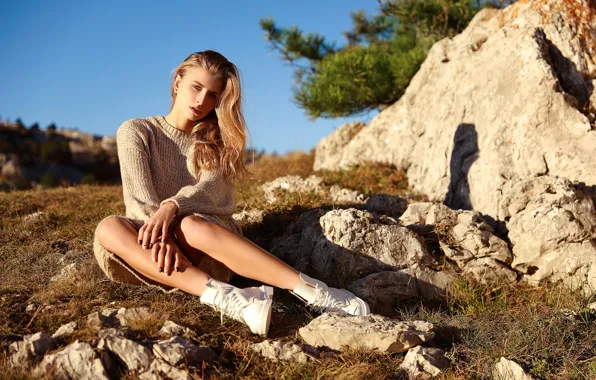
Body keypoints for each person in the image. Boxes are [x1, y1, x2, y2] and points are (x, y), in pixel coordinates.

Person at [93, 50, 370, 336]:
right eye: (196, 87)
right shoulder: (136, 130)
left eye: (213, 95)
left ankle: (313, 291)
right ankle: (231, 298)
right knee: (108, 228)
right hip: (148, 248)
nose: (202, 101)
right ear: (178, 82)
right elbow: (138, 199)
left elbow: (211, 190)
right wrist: (158, 234)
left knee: (191, 225)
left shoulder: (215, 140)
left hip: (203, 243)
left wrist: (173, 206)